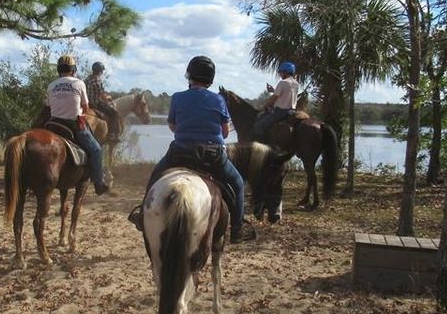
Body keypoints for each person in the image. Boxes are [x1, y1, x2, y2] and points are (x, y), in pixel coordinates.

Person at [131, 55, 253, 243]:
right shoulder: (219, 100)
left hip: (181, 153)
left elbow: (172, 125)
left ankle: (141, 213)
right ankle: (237, 228)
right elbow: (226, 133)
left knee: (155, 176)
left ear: (190, 75)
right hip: (213, 156)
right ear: (210, 79)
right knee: (237, 183)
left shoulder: (178, 97)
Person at [46, 54, 110, 195]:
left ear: (59, 70)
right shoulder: (79, 83)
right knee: (96, 150)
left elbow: (49, 108)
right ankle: (99, 183)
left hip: (53, 124)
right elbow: (86, 108)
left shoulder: (51, 85)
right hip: (73, 125)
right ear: (73, 69)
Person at [253, 61, 299, 143]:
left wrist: (266, 105)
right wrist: (273, 90)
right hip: (292, 111)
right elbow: (286, 94)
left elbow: (274, 97)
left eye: (281, 73)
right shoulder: (296, 84)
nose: (280, 75)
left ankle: (263, 146)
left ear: (285, 72)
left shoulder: (283, 82)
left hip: (280, 112)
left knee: (258, 126)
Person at [84, 61, 121, 141]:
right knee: (114, 113)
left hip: (86, 104)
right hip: (96, 104)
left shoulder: (86, 79)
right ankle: (111, 134)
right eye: (102, 71)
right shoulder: (97, 80)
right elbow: (102, 95)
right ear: (100, 71)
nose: (102, 73)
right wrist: (109, 98)